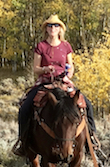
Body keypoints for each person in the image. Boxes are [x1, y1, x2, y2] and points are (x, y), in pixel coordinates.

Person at [13, 14, 98, 156]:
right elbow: (36, 68)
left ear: (60, 29)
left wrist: (68, 75)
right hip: (45, 82)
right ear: (46, 29)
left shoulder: (66, 46)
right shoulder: (41, 46)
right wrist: (45, 69)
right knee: (25, 108)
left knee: (87, 104)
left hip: (63, 81)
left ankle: (91, 139)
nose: (53, 28)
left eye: (56, 25)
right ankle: (23, 141)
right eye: (50, 26)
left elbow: (71, 66)